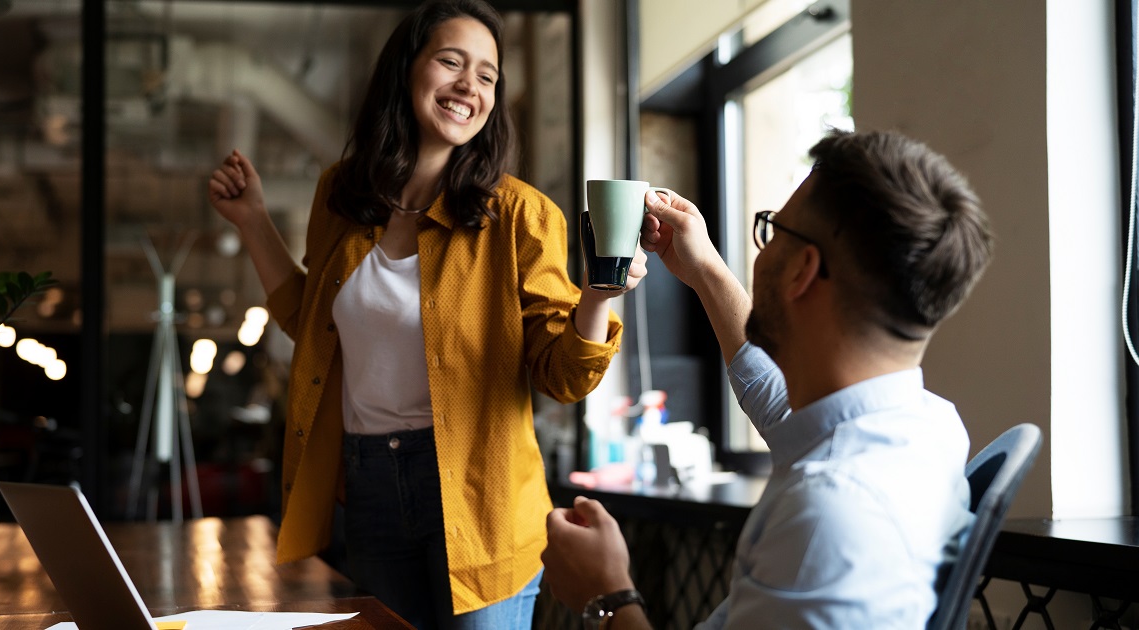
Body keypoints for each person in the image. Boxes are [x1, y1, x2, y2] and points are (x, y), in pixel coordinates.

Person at [207, 1, 647, 627]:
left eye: (488, 75)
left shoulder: (521, 216)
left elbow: (563, 377)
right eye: (451, 61)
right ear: (405, 71)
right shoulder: (341, 196)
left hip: (481, 497)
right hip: (369, 489)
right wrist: (253, 220)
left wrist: (599, 295)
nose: (471, 85)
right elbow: (315, 328)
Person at [542, 129, 995, 629]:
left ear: (804, 268)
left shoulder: (827, 515)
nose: (765, 245)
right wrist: (704, 268)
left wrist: (605, 596)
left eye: (774, 230)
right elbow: (784, 407)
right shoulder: (929, 428)